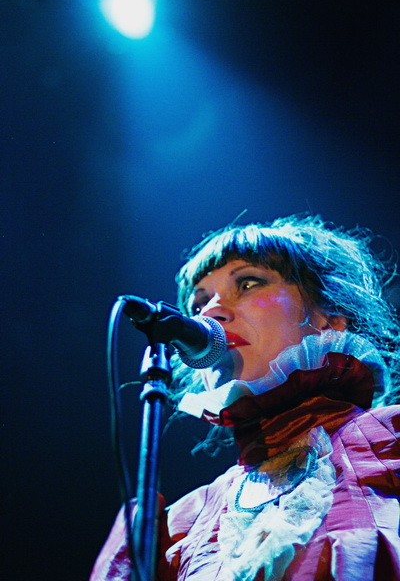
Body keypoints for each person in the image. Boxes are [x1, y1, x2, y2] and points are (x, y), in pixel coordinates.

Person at [90, 214, 400, 581]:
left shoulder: (389, 441)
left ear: (330, 319)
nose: (210, 311)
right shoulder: (174, 528)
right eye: (198, 305)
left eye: (249, 283)